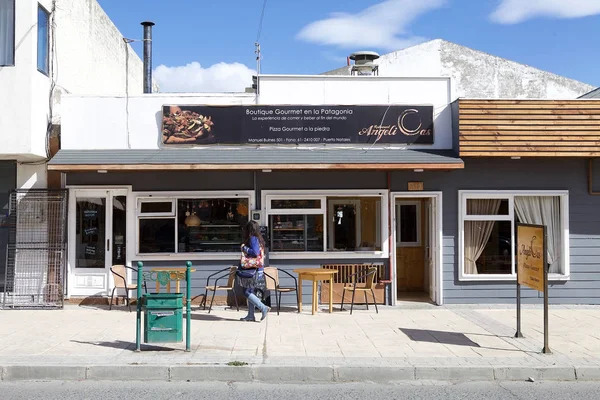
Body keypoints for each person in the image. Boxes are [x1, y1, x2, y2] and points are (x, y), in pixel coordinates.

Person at [236, 220, 270, 322]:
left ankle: (262, 307)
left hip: (252, 270)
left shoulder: (253, 239)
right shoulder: (259, 239)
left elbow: (255, 252)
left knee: (246, 292)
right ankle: (251, 315)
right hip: (258, 269)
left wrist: (244, 248)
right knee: (250, 291)